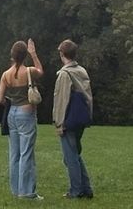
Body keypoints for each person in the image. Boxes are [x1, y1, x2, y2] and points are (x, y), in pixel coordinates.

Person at [0, 38, 44, 200]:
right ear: (24, 56)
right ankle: (27, 192)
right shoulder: (29, 71)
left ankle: (16, 190)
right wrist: (34, 54)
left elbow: (0, 99)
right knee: (26, 153)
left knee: (14, 154)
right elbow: (41, 71)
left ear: (12, 55)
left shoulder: (5, 75)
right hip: (26, 113)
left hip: (11, 115)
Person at [53, 39, 94, 200]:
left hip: (68, 119)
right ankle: (86, 188)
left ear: (62, 54)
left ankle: (76, 190)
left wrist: (59, 122)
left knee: (70, 156)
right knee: (74, 154)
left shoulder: (65, 74)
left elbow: (62, 100)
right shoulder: (82, 71)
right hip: (81, 118)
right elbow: (88, 97)